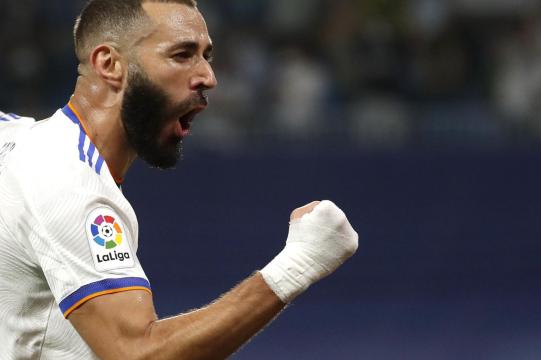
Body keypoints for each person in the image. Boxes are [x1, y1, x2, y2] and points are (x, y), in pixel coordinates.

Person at [0, 0, 359, 358]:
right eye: (182, 54)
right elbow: (139, 353)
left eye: (206, 55)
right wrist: (298, 265)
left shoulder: (20, 139)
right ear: (109, 64)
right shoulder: (72, 183)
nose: (209, 77)